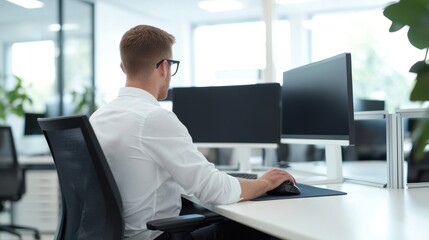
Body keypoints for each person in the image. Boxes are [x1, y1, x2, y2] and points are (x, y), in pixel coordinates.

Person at [90, 24, 296, 240]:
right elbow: (215, 191)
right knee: (257, 229)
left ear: (123, 67)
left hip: (117, 235)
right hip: (153, 237)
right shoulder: (154, 118)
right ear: (164, 67)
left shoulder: (99, 117)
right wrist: (265, 183)